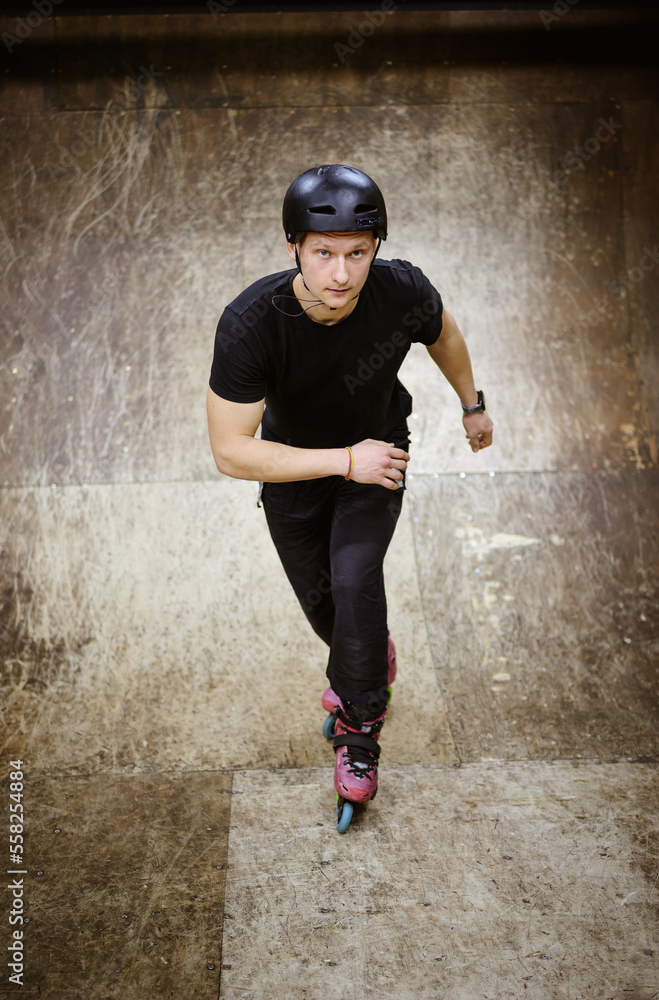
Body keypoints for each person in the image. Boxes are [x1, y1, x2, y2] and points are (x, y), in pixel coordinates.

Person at [207, 164, 493, 817]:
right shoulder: (252, 323)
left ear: (376, 249)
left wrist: (472, 404)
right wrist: (341, 460)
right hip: (298, 466)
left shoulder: (400, 291)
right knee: (329, 613)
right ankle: (368, 658)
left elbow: (442, 332)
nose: (341, 274)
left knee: (355, 578)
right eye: (323, 253)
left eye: (357, 254)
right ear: (293, 249)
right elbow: (230, 450)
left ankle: (358, 731)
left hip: (379, 454)